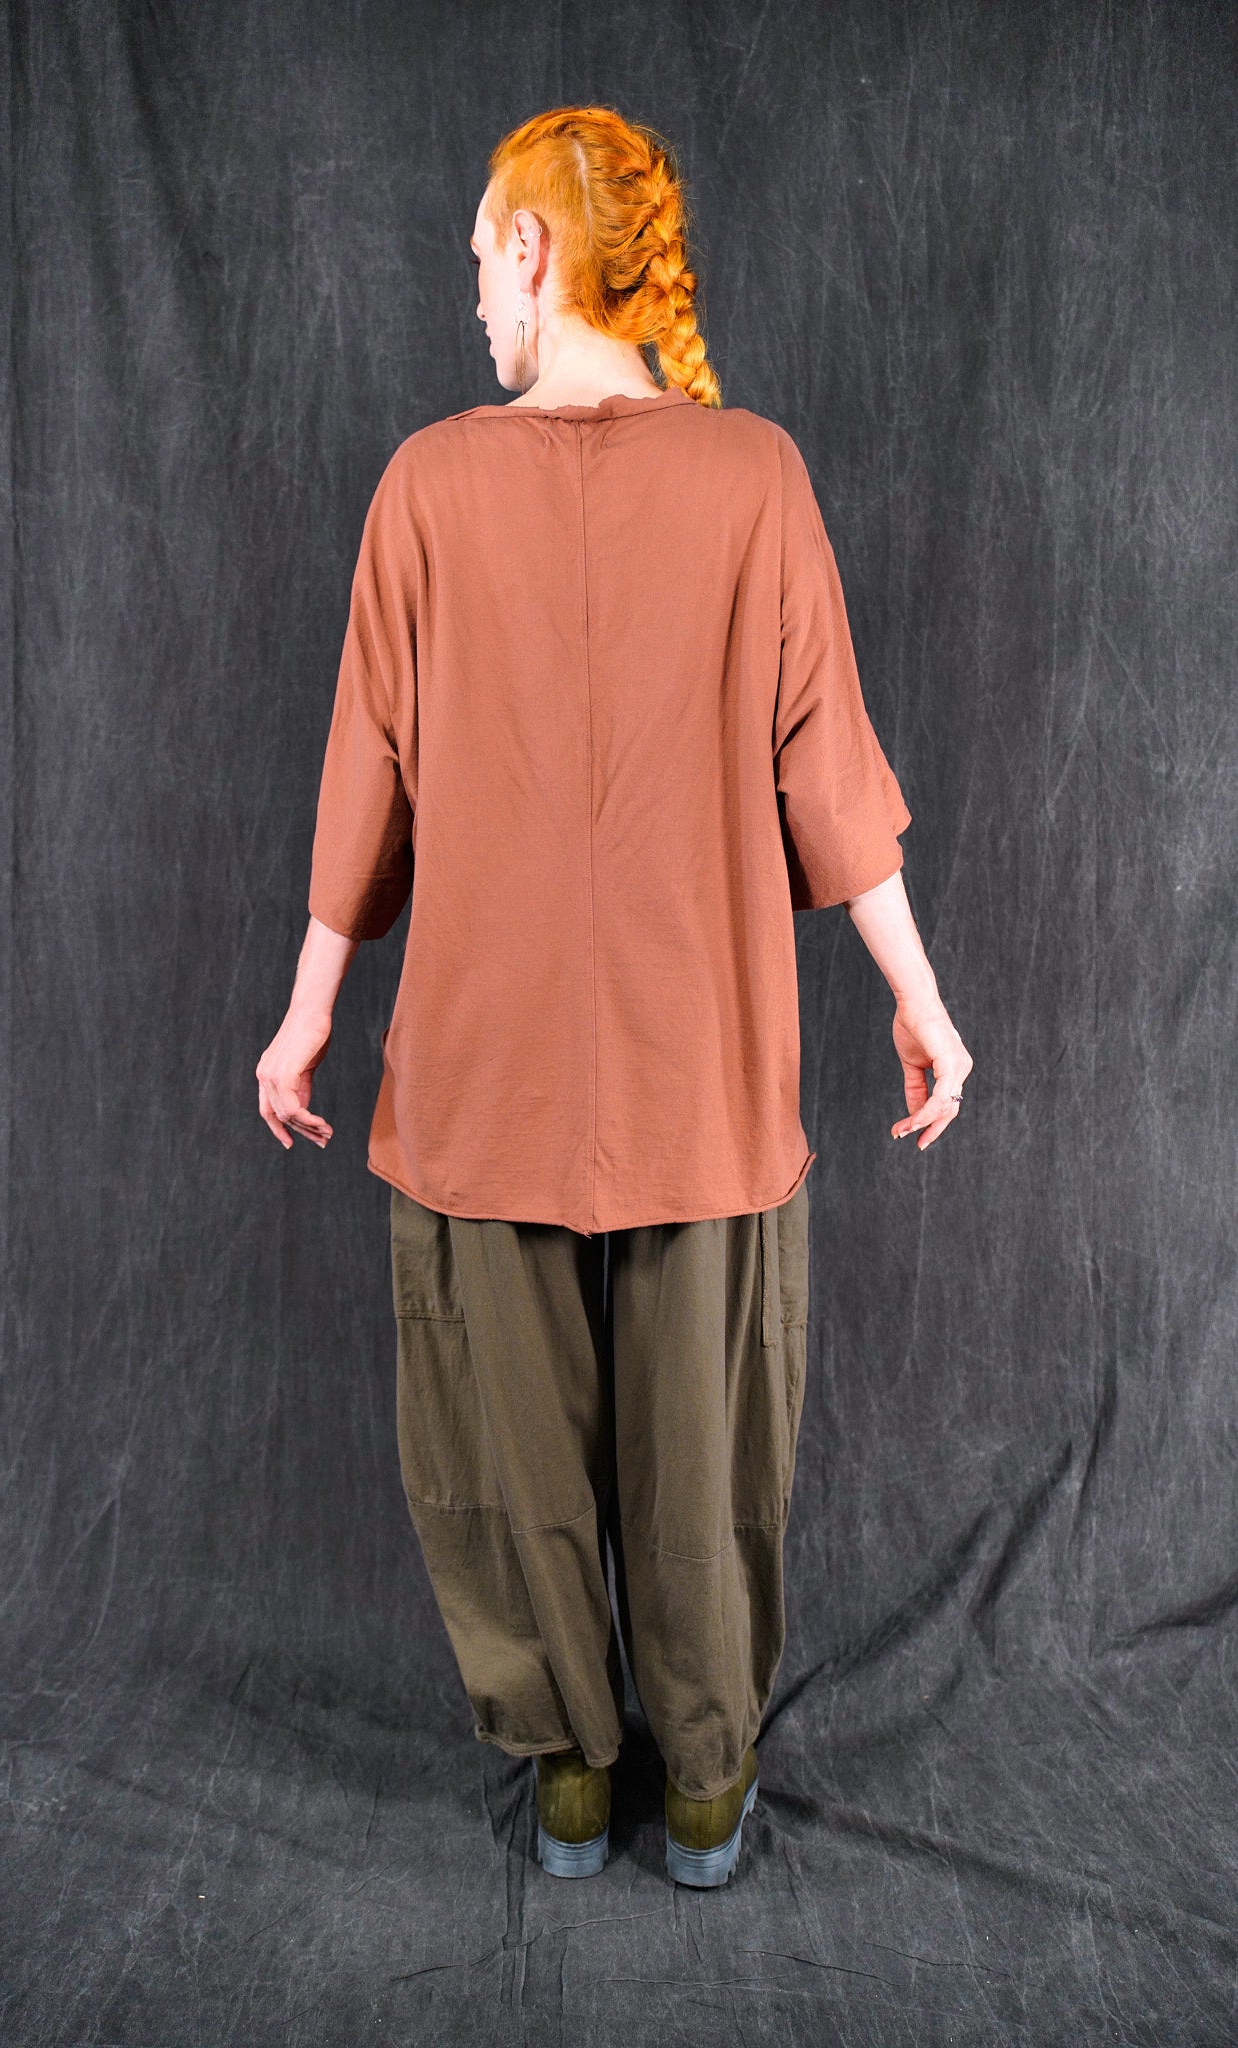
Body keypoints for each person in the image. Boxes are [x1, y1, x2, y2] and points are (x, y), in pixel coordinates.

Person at [256, 105, 972, 1889]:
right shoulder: (756, 477)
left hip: (480, 1070)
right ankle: (707, 1787)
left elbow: (364, 779)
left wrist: (309, 1008)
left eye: (475, 262)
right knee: (705, 1457)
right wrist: (918, 995)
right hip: (699, 1068)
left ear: (529, 250)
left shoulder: (426, 487)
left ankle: (571, 1775)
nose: (468, 304)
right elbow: (831, 775)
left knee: (505, 1450)